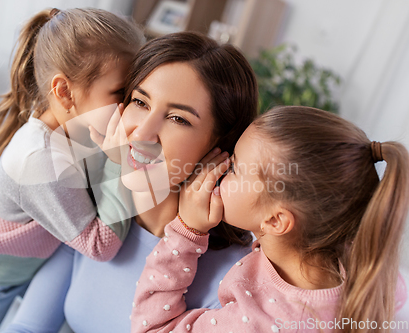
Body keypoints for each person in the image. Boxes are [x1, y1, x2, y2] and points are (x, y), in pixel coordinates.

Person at [3, 31, 259, 332]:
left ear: (220, 143)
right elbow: (28, 326)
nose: (141, 134)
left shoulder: (236, 277)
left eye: (178, 119)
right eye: (140, 102)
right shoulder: (91, 216)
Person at [0, 7, 143, 333]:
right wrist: (120, 161)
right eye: (121, 93)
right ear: (64, 92)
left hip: (26, 264)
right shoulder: (38, 158)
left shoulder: (78, 128)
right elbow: (99, 246)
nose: (130, 106)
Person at [131, 106, 409, 333]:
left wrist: (186, 231)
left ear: (276, 221)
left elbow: (154, 328)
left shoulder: (258, 322)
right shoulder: (371, 273)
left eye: (236, 168)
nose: (221, 167)